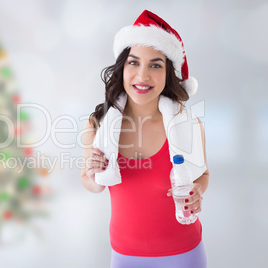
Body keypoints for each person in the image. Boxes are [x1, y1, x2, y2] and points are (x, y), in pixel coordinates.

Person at [81, 10, 209, 268]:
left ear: (168, 73)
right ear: (122, 67)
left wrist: (198, 192)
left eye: (155, 65)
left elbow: (202, 176)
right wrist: (93, 172)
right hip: (126, 255)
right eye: (133, 62)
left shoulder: (188, 124)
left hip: (184, 252)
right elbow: (91, 184)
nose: (142, 76)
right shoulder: (97, 125)